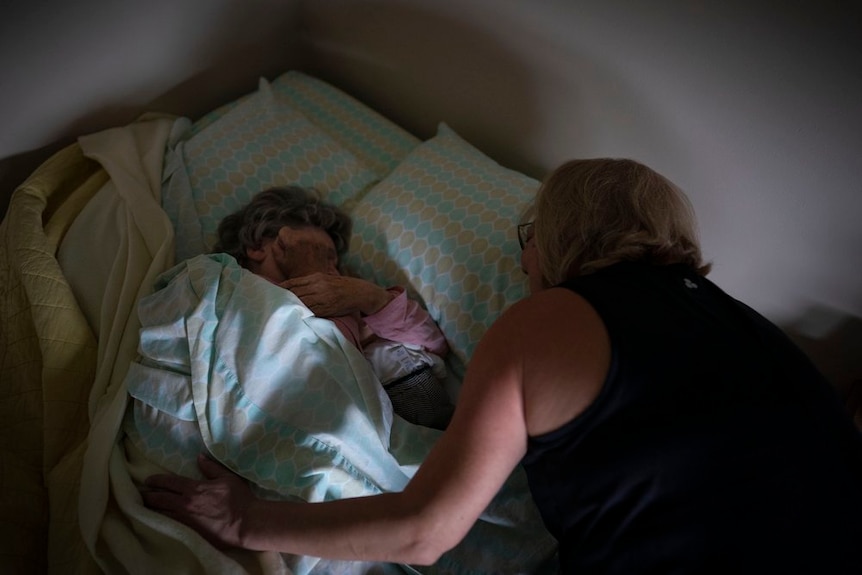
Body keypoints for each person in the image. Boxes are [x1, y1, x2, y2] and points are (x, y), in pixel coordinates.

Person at [144, 160, 862, 573]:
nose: (521, 262)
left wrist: (248, 522)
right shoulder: (748, 324)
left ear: (557, 239)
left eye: (528, 238)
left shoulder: (549, 320)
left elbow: (426, 529)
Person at [213, 186, 453, 429]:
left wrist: (371, 298)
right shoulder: (224, 286)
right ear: (256, 247)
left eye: (332, 262)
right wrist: (308, 271)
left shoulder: (348, 306)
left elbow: (433, 342)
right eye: (315, 252)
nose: (328, 270)